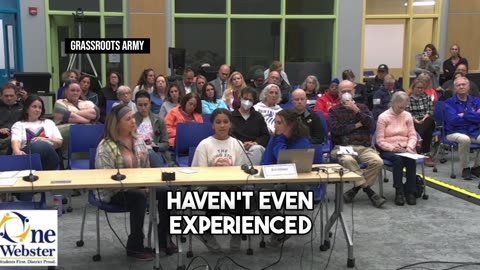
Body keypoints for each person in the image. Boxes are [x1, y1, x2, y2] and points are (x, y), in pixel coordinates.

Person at [94, 105, 153, 260]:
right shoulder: (105, 146)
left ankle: (164, 240)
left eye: (133, 117)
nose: (133, 121)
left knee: (166, 191)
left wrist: (147, 185)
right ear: (117, 123)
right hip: (113, 192)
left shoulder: (138, 140)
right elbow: (105, 179)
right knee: (138, 196)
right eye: (128, 119)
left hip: (140, 187)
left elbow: (147, 166)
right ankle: (135, 246)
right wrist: (140, 188)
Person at [191, 108, 248, 251]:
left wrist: (231, 184)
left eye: (225, 122)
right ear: (212, 125)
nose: (222, 125)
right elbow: (200, 175)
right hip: (209, 187)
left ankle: (237, 233)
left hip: (232, 186)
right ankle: (207, 233)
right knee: (215, 197)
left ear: (230, 124)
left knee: (244, 197)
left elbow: (240, 171)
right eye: (218, 122)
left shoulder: (237, 144)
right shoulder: (204, 145)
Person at [329, 80, 385, 208]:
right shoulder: (334, 110)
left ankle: (355, 189)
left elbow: (371, 125)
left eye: (349, 91)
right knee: (348, 160)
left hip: (363, 147)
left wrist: (356, 111)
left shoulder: (363, 108)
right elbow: (336, 130)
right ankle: (369, 191)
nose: (346, 94)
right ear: (338, 93)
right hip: (343, 147)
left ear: (354, 91)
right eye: (343, 92)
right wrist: (357, 125)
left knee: (378, 162)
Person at [376, 92, 418, 206]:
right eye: (400, 107)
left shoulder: (407, 115)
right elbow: (379, 140)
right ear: (393, 103)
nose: (402, 110)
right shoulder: (383, 117)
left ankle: (410, 191)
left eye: (404, 107)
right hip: (388, 149)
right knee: (398, 160)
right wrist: (393, 148)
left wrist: (409, 147)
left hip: (405, 147)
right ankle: (399, 191)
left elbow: (413, 135)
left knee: (411, 159)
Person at [11, 95, 63, 170]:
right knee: (39, 145)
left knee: (43, 145)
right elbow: (16, 141)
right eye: (34, 107)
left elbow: (59, 142)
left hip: (49, 159)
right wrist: (16, 151)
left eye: (40, 107)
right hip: (27, 158)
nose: (37, 110)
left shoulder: (49, 123)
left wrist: (46, 140)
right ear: (26, 109)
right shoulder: (19, 124)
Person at [444, 77, 480, 180]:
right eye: (458, 85)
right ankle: (466, 168)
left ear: (468, 87)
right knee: (465, 139)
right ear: (454, 88)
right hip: (453, 132)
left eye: (463, 84)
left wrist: (464, 114)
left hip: (473, 131)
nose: (461, 86)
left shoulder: (476, 101)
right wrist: (473, 116)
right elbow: (453, 120)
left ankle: (477, 167)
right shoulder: (449, 102)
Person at [231, 87, 269, 165]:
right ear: (240, 98)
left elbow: (265, 135)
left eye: (250, 100)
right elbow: (228, 134)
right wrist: (241, 144)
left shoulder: (258, 116)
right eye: (245, 98)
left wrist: (255, 143)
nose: (247, 102)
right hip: (236, 147)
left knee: (256, 149)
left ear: (254, 102)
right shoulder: (231, 116)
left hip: (254, 148)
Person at [134, 90, 170, 167]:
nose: (143, 108)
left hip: (153, 151)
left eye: (145, 104)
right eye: (140, 105)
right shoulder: (131, 120)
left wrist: (154, 145)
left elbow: (166, 144)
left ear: (150, 103)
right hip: (136, 151)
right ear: (136, 105)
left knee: (149, 152)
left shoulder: (159, 120)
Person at [406, 79, 435, 167]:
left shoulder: (427, 97)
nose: (420, 90)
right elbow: (407, 112)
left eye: (422, 88)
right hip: (414, 121)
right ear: (413, 88)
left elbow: (430, 111)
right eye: (418, 88)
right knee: (428, 132)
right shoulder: (408, 99)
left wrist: (425, 117)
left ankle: (419, 140)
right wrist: (415, 120)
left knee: (429, 120)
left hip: (426, 120)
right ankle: (426, 153)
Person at [0, 83, 23, 155]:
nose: (9, 98)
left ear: (16, 96)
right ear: (1, 96)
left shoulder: (23, 107)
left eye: (11, 96)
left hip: (18, 137)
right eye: (6, 96)